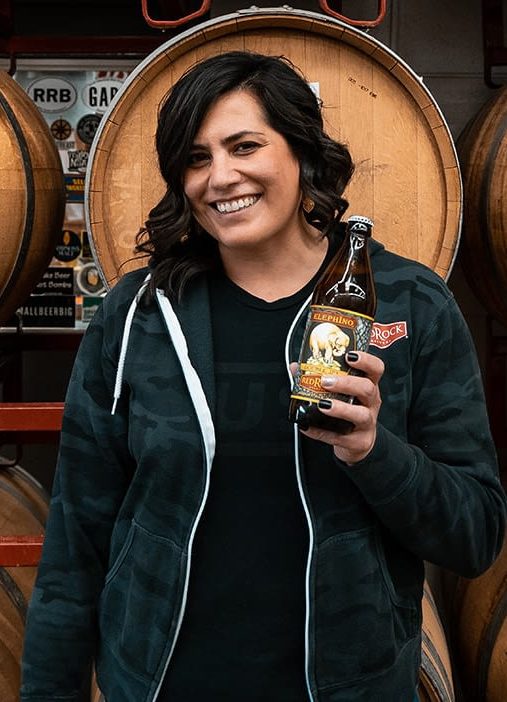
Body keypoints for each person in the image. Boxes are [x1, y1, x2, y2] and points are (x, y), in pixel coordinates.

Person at [20, 51, 506, 702]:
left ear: (302, 151)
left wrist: (374, 453)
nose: (220, 177)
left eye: (244, 146)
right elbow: (75, 543)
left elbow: (475, 534)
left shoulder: (409, 304)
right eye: (196, 158)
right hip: (162, 685)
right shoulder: (138, 315)